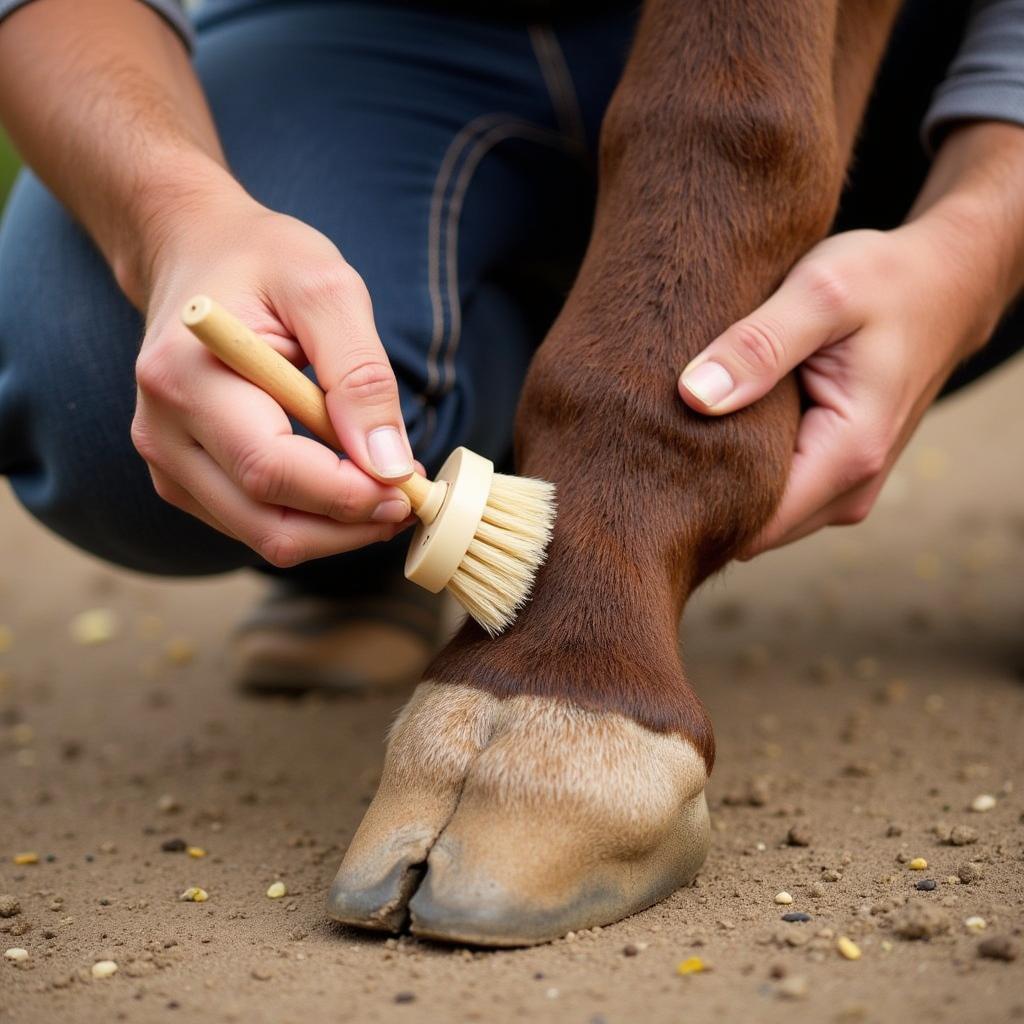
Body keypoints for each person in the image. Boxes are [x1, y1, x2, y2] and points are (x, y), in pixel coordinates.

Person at [0, 0, 1021, 692]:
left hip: (889, 52)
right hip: (367, 33)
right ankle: (397, 497)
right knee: (91, 373)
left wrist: (974, 246)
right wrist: (175, 218)